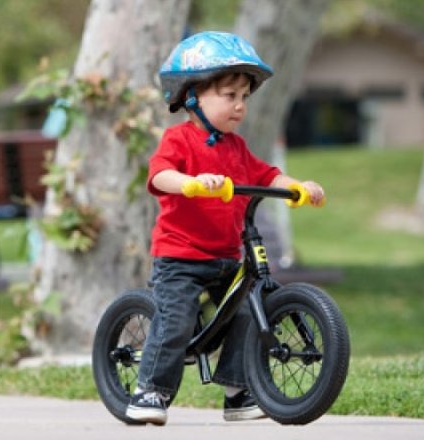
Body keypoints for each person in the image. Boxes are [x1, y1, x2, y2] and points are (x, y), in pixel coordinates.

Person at [125, 32, 326, 425]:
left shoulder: (235, 147)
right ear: (193, 96)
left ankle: (237, 392)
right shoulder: (179, 139)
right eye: (228, 95)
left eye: (244, 98)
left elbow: (267, 175)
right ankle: (149, 390)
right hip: (180, 256)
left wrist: (298, 187)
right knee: (176, 320)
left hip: (225, 256)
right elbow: (159, 174)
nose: (238, 105)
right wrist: (189, 183)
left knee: (249, 312)